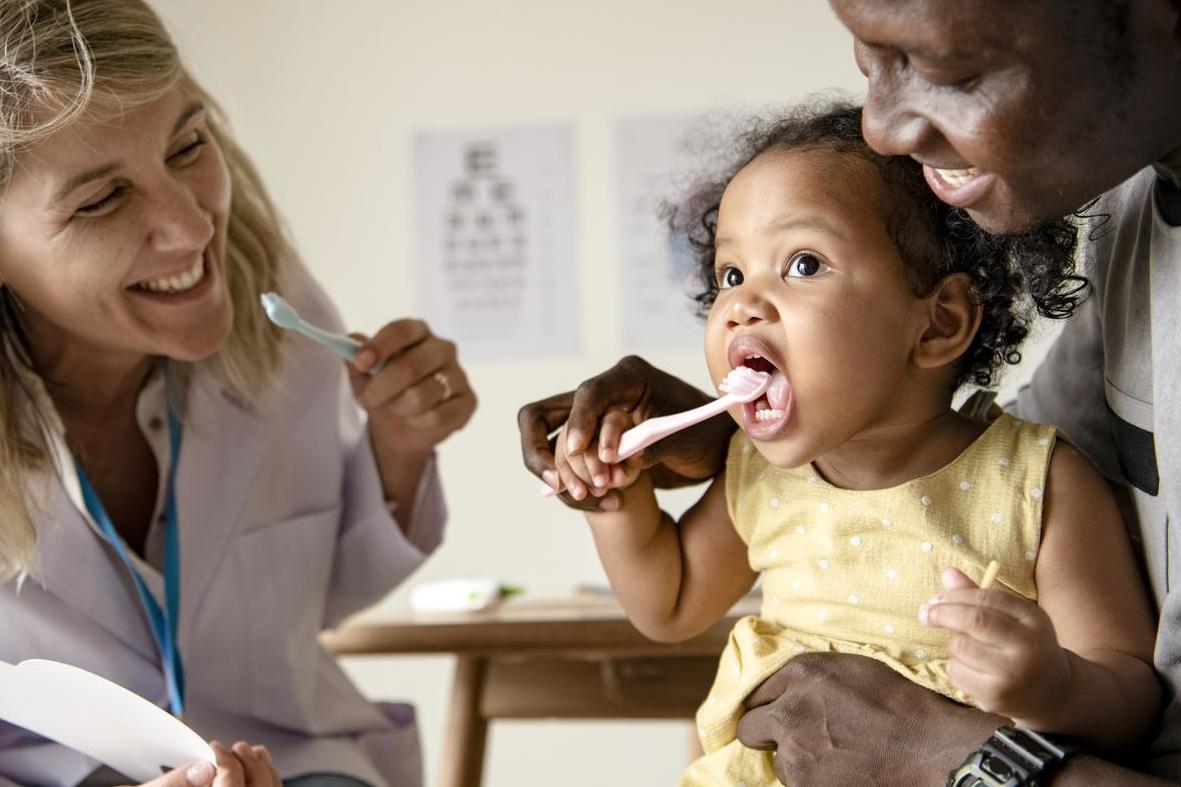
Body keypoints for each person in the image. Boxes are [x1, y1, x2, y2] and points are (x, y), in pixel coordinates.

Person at [519, 0, 1181, 783]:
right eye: (730, 275)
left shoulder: (1038, 482)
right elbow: (668, 602)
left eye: (803, 264)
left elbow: (1133, 695)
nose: (741, 304)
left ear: (936, 325)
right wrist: (616, 500)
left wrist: (1051, 686)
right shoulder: (762, 477)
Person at [0, 2, 476, 786]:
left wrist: (399, 446)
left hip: (294, 762)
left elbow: (309, 603)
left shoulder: (284, 319)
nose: (189, 228)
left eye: (187, 146)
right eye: (101, 201)